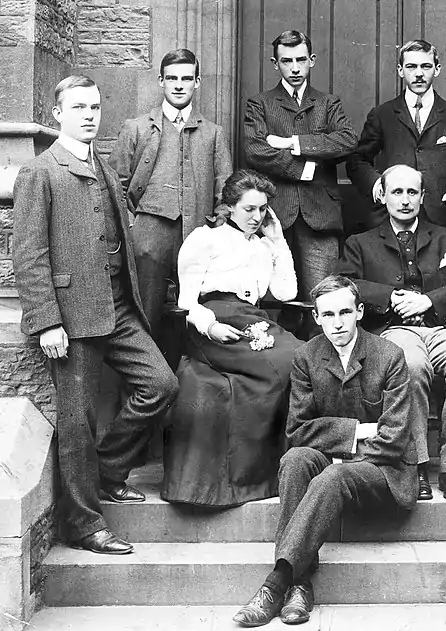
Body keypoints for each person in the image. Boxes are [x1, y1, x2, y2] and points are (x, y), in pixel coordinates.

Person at [12, 75, 179, 555]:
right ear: (57, 112)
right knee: (77, 419)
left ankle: (106, 472)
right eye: (79, 107)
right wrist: (46, 321)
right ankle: (82, 523)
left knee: (160, 385)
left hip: (119, 306)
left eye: (95, 106)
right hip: (71, 315)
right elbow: (29, 254)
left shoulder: (102, 164)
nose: (89, 115)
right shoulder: (41, 172)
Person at [232, 275, 416, 627]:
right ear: (316, 317)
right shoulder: (306, 357)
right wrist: (357, 432)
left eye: (345, 312)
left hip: (384, 473)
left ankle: (277, 582)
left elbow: (393, 438)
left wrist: (338, 451)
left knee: (332, 473)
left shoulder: (389, 355)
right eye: (327, 314)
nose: (337, 323)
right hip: (339, 464)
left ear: (360, 312)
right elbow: (298, 430)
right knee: (296, 459)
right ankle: (300, 584)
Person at [338, 164, 446, 502]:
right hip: (393, 330)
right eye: (397, 192)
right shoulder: (361, 243)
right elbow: (346, 285)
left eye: (411, 193)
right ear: (383, 196)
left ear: (422, 196)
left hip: (443, 328)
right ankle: (416, 466)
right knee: (410, 364)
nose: (404, 200)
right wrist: (389, 297)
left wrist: (428, 301)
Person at [161, 169, 301, 507]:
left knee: (303, 358)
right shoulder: (205, 238)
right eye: (249, 209)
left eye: (263, 209)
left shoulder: (264, 245)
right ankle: (252, 478)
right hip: (211, 325)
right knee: (286, 363)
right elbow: (186, 301)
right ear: (230, 206)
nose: (257, 217)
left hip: (253, 320)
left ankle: (271, 474)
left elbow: (286, 291)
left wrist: (278, 242)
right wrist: (210, 326)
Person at [109, 48, 233, 345]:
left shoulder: (214, 133)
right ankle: (144, 383)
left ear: (197, 82)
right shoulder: (136, 128)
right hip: (147, 238)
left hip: (197, 236)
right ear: (161, 81)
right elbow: (114, 185)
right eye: (172, 78)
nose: (179, 85)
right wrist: (132, 227)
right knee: (144, 314)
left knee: (195, 314)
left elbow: (226, 191)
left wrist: (217, 230)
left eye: (186, 78)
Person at [243, 30, 357, 301]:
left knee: (323, 298)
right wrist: (305, 168)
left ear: (312, 60)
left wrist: (291, 142)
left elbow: (347, 140)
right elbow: (255, 150)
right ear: (275, 63)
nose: (294, 68)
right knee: (271, 301)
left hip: (320, 216)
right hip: (274, 214)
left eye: (301, 60)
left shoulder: (328, 103)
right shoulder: (260, 104)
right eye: (286, 61)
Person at [346, 39, 446, 227]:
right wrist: (377, 186)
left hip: (440, 219)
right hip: (389, 219)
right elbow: (356, 160)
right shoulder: (382, 115)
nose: (418, 74)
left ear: (437, 69)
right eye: (411, 66)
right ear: (400, 70)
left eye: (425, 66)